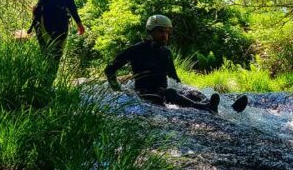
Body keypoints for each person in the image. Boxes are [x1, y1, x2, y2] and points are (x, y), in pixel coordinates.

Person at [104, 14, 249, 114]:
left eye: (167, 32)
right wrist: (119, 90)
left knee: (189, 92)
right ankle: (206, 108)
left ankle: (228, 109)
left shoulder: (166, 53)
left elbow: (174, 78)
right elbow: (110, 69)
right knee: (171, 92)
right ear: (150, 32)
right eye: (161, 31)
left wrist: (187, 90)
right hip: (146, 94)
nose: (165, 35)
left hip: (163, 91)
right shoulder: (135, 50)